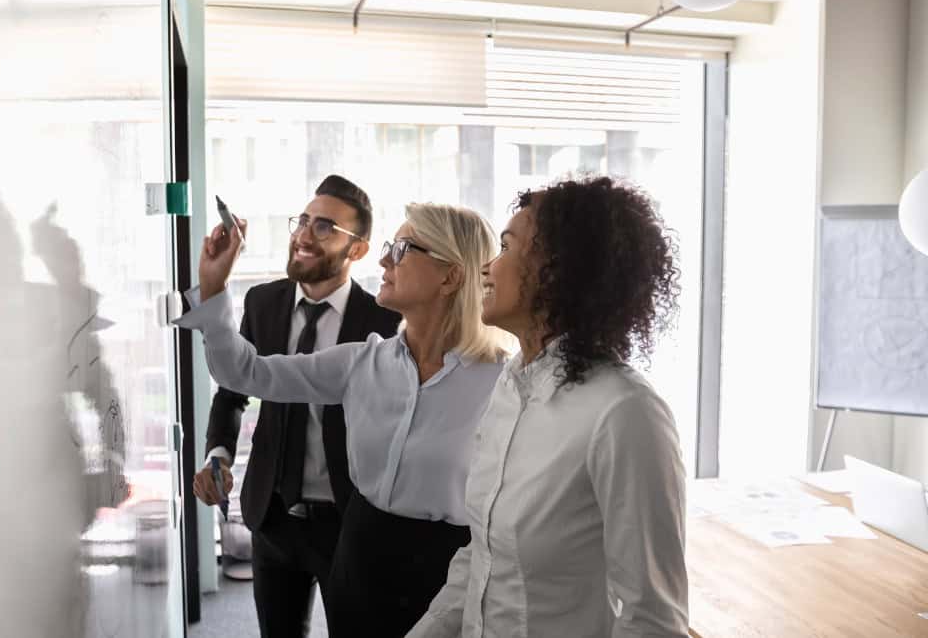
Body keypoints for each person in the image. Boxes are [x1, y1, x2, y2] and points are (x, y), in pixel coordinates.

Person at [177, 200, 509, 637]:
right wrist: (214, 285)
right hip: (360, 553)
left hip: (448, 569)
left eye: (404, 248)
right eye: (390, 245)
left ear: (451, 275)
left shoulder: (502, 382)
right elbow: (246, 373)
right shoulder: (361, 363)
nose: (386, 259)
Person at [408, 175, 689, 638]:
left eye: (505, 247)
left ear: (558, 270)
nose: (486, 268)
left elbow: (652, 619)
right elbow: (482, 557)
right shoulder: (510, 387)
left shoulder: (624, 412)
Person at [190, 175, 400, 637]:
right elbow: (232, 392)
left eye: (325, 227)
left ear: (358, 250)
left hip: (349, 521)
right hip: (273, 515)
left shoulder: (385, 321)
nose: (304, 234)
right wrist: (218, 453)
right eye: (303, 220)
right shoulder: (263, 301)